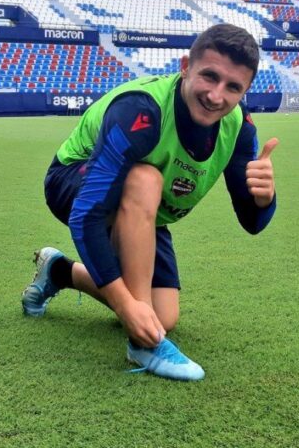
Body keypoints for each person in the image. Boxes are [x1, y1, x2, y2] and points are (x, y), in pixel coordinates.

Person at [22, 23, 278, 381]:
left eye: (233, 87)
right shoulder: (140, 110)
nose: (216, 95)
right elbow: (86, 216)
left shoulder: (238, 128)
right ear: (185, 66)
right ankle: (143, 346)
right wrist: (127, 306)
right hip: (75, 180)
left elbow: (252, 222)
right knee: (145, 178)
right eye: (209, 76)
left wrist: (265, 198)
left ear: (245, 91)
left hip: (144, 210)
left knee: (163, 317)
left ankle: (60, 271)